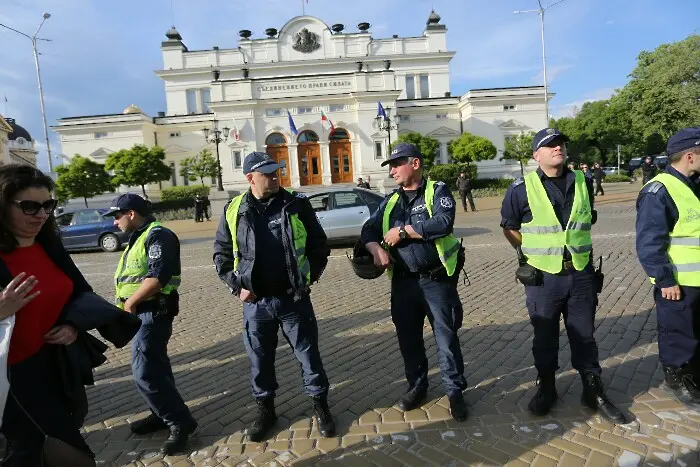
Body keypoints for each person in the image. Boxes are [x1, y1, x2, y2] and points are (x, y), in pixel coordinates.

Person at [0, 165, 139, 467]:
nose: (41, 214)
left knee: (36, 454)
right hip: (12, 378)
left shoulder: (49, 247)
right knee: (63, 456)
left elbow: (77, 295)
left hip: (55, 367)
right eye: (29, 206)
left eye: (47, 205)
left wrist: (72, 325)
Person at [500, 128, 625, 423]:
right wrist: (528, 253)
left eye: (561, 144)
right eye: (550, 145)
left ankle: (592, 388)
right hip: (544, 278)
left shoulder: (583, 180)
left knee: (585, 335)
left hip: (581, 272)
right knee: (544, 338)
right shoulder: (521, 188)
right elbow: (509, 226)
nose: (558, 148)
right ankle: (547, 388)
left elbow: (584, 220)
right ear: (536, 155)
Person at [213, 152, 335, 442]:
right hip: (256, 304)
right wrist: (236, 286)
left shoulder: (296, 204)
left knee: (309, 356)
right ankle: (266, 410)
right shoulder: (234, 209)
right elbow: (220, 254)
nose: (274, 176)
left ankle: (321, 407)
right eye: (267, 172)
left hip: (294, 299)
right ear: (250, 178)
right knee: (260, 360)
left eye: (276, 171)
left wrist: (307, 279)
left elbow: (319, 246)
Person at [361, 142, 469, 421]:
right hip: (403, 283)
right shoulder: (389, 201)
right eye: (391, 166)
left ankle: (455, 392)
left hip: (436, 281)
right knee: (409, 340)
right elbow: (368, 229)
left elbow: (444, 222)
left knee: (446, 339)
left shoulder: (437, 191)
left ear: (416, 164)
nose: (393, 170)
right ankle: (417, 387)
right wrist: (376, 248)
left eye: (397, 164)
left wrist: (404, 232)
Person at [104, 193, 197, 455]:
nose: (114, 223)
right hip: (141, 313)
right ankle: (160, 414)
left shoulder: (158, 235)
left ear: (131, 213)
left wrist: (130, 302)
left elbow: (158, 276)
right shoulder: (140, 235)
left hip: (151, 312)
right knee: (157, 368)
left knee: (145, 372)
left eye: (116, 216)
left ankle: (180, 421)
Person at [635, 127, 700, 409]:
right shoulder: (658, 191)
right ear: (690, 156)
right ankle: (677, 378)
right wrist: (664, 280)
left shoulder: (695, 182)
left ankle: (693, 374)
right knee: (678, 333)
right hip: (679, 281)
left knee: (696, 330)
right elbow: (650, 242)